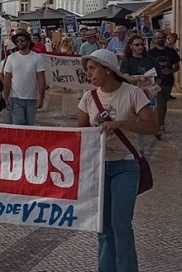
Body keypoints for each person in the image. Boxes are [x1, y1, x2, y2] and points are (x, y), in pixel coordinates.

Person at [78, 49, 158, 272]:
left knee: (121, 225)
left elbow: (152, 126)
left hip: (126, 164)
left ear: (107, 68)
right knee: (103, 227)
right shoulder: (88, 97)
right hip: (99, 167)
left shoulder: (133, 94)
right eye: (87, 69)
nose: (88, 73)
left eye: (92, 68)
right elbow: (80, 133)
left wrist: (120, 123)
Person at [119, 35, 163, 153]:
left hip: (149, 95)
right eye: (137, 45)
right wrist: (140, 79)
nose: (140, 47)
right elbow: (125, 77)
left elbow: (159, 77)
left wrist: (154, 86)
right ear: (131, 46)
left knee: (147, 118)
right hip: (132, 94)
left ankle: (142, 146)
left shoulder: (151, 60)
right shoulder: (126, 61)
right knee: (134, 119)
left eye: (142, 44)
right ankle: (136, 148)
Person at [3, 31, 46, 125]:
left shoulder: (37, 58)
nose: (20, 43)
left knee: (30, 125)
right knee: (19, 123)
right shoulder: (11, 58)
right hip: (15, 97)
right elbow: (7, 78)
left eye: (22, 40)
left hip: (32, 98)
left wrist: (41, 97)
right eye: (17, 41)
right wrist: (5, 97)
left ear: (28, 42)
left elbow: (41, 78)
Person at [148, 30, 181, 138]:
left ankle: (161, 123)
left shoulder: (171, 52)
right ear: (155, 39)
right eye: (158, 38)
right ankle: (158, 126)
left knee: (163, 104)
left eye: (162, 37)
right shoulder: (151, 53)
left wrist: (170, 71)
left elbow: (177, 66)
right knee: (158, 103)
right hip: (155, 82)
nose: (160, 39)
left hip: (168, 81)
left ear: (165, 38)